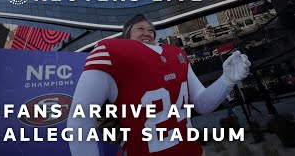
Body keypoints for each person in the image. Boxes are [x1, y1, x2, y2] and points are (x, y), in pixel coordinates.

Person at [67, 14, 251, 156]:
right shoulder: (112, 52)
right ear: (126, 35)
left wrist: (227, 80)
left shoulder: (176, 54)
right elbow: (80, 120)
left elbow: (202, 104)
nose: (147, 32)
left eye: (150, 30)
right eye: (140, 28)